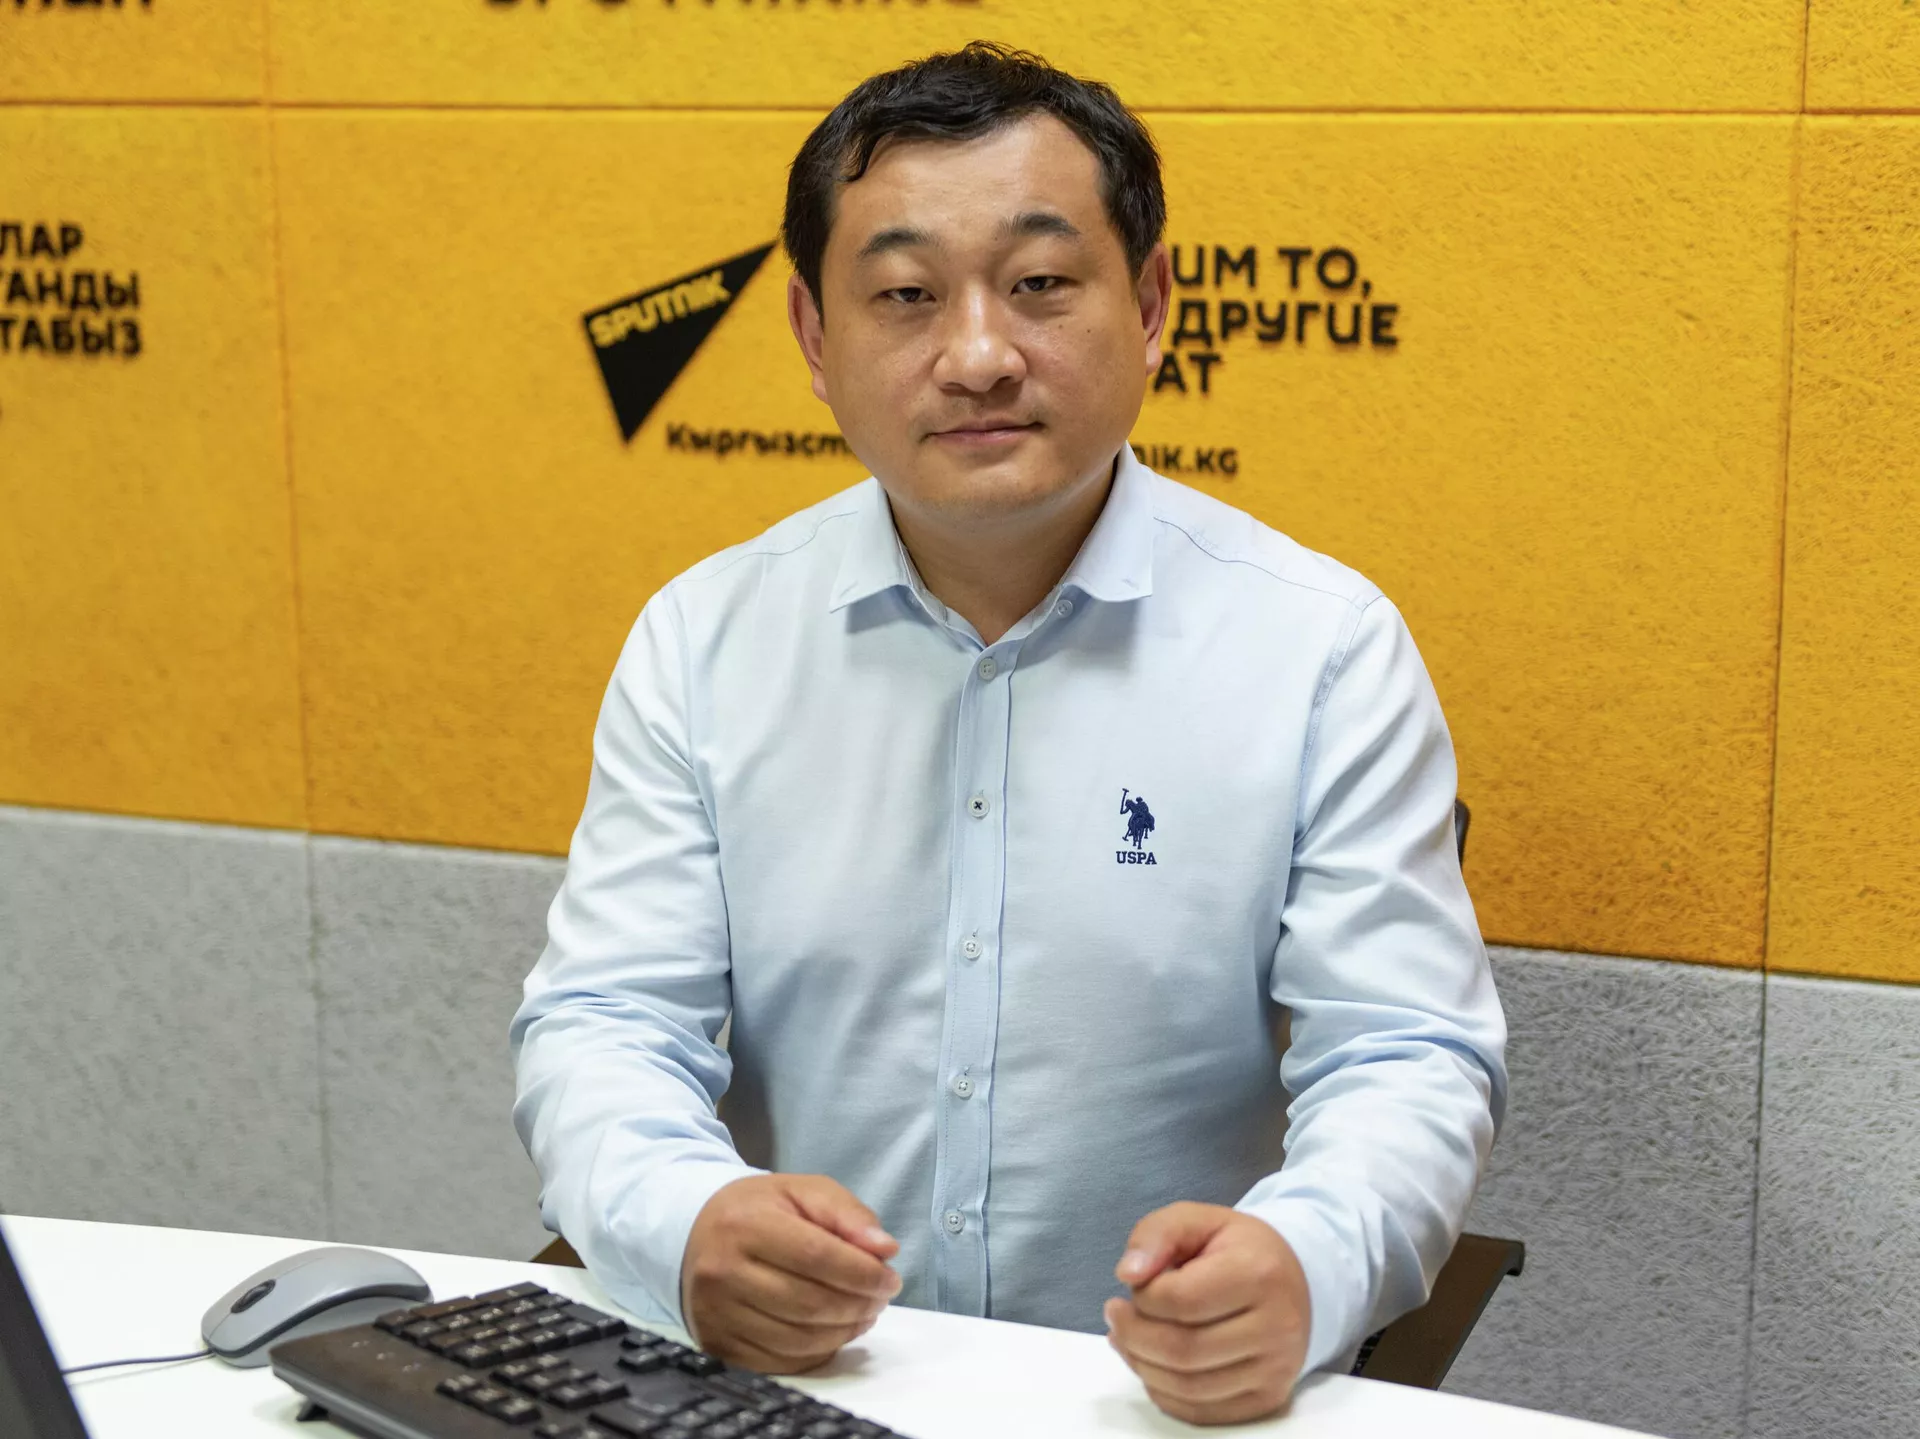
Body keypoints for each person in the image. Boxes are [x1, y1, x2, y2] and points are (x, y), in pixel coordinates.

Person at [510, 41, 1506, 1426]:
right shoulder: (705, 639)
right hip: (801, 1389)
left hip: (1142, 1400)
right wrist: (683, 1220)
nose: (979, 356)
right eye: (905, 296)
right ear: (814, 337)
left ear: (1150, 306)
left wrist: (1307, 1261)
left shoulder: (1321, 648)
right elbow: (606, 1021)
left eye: (1040, 283)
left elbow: (1404, 1053)